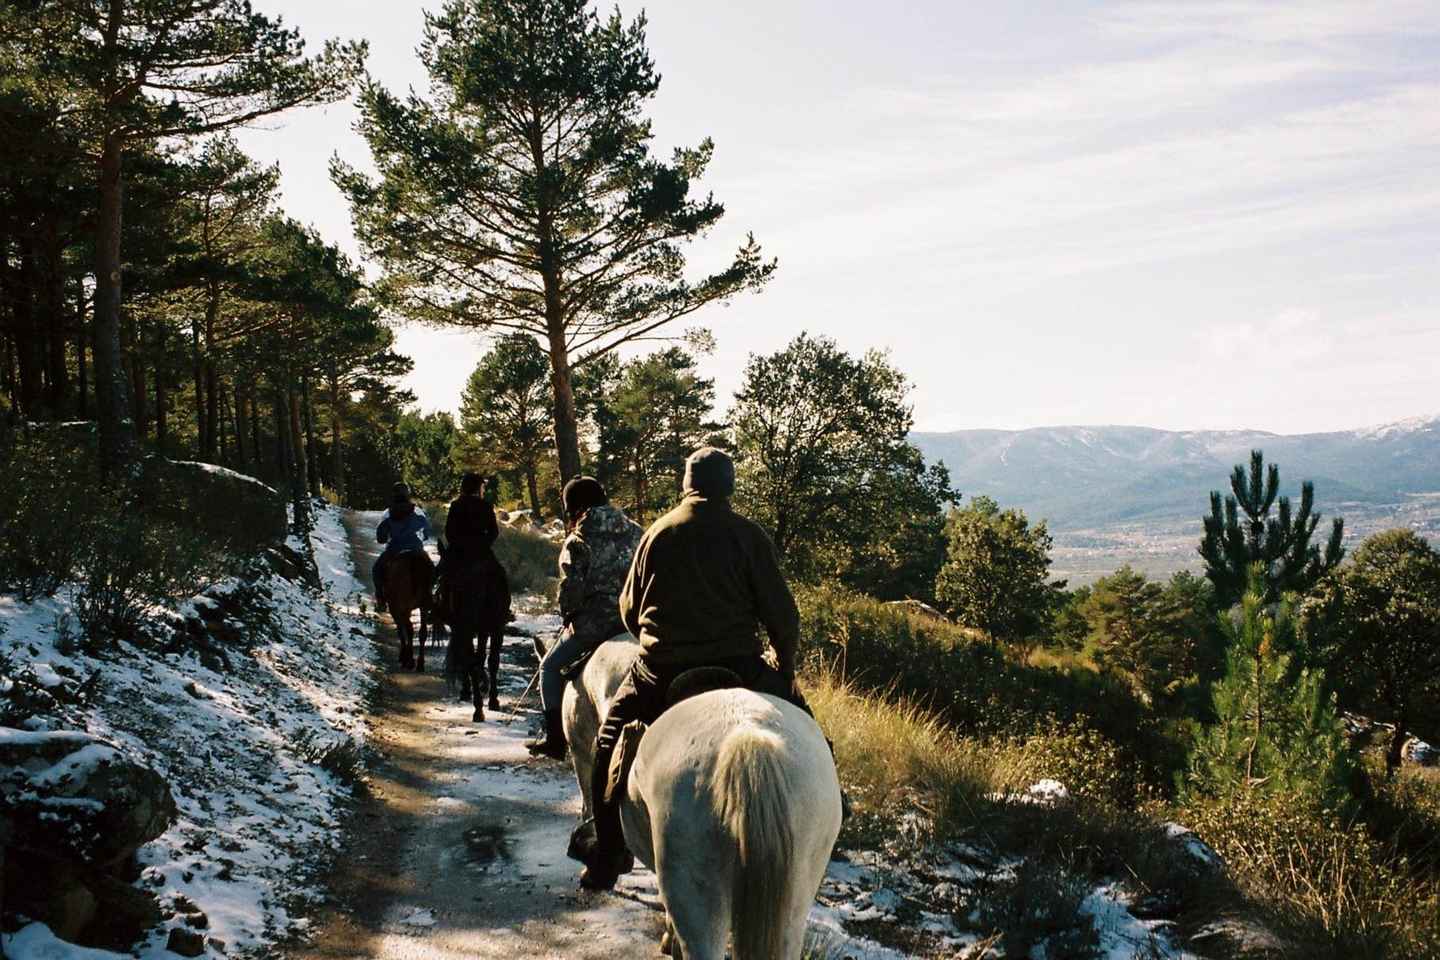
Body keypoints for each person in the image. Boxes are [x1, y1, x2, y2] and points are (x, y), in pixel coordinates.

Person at [576, 447, 813, 890]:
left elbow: (629, 610)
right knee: (807, 726)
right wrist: (786, 667)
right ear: (729, 486)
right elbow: (783, 615)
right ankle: (833, 803)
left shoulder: (657, 533)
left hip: (662, 670)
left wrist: (652, 637)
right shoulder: (750, 535)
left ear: (687, 485)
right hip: (739, 667)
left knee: (608, 740)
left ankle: (606, 852)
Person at [527, 477, 643, 759]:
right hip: (635, 623)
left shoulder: (578, 539)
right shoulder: (637, 531)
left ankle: (554, 739)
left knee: (550, 668)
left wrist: (568, 615)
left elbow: (570, 591)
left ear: (574, 508)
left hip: (595, 625)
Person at [373, 482, 432, 612]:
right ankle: (430, 600)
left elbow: (381, 538)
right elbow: (427, 533)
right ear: (408, 494)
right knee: (431, 570)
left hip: (394, 550)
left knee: (377, 570)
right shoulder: (418, 511)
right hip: (416, 550)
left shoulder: (387, 513)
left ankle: (381, 599)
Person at [444, 472, 500, 569]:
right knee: (500, 576)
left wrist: (458, 545)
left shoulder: (456, 505)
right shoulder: (486, 506)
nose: (484, 490)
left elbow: (449, 531)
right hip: (481, 551)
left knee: (442, 573)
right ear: (477, 488)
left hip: (458, 551)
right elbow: (494, 532)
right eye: (482, 487)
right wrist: (483, 545)